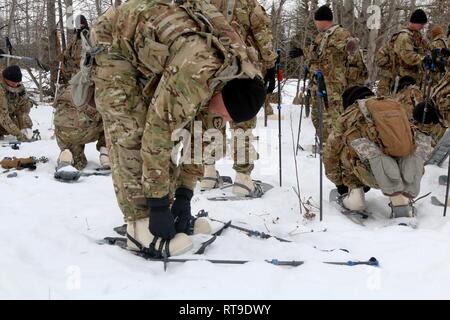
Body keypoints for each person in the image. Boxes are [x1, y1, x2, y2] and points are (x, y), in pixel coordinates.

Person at [94, 0, 266, 257]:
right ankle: (139, 226)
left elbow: (202, 137)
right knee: (132, 130)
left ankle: (169, 204)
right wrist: (158, 204)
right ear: (221, 90)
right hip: (116, 39)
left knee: (192, 124)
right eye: (225, 113)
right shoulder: (196, 73)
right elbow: (157, 134)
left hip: (158, 47)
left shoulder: (241, 73)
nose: (224, 120)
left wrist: (184, 194)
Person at [200, 0, 277, 196]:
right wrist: (270, 65)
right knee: (241, 124)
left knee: (211, 120)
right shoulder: (248, 4)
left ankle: (208, 173)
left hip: (211, 68)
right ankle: (243, 180)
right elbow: (263, 38)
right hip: (243, 69)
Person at [324, 86, 435, 221]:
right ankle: (401, 203)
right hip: (409, 174)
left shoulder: (348, 115)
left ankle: (355, 198)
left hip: (371, 173)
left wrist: (340, 184)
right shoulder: (394, 107)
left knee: (344, 148)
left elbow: (330, 154)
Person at [289, 5, 359, 140]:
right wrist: (303, 52)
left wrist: (350, 46)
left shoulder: (341, 33)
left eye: (316, 21)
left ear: (322, 21)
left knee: (332, 116)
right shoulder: (322, 36)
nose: (315, 24)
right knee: (317, 115)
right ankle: (323, 141)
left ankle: (335, 144)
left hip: (333, 84)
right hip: (319, 81)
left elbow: (351, 47)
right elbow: (318, 51)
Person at [376, 9, 430, 96]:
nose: (423, 27)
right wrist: (423, 59)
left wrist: (436, 51)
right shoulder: (404, 37)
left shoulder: (416, 35)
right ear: (415, 22)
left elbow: (427, 45)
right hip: (398, 77)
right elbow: (407, 57)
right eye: (421, 24)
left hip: (408, 76)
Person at [0, 65, 33, 141]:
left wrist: (24, 98)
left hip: (7, 116)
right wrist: (18, 134)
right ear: (6, 79)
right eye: (13, 82)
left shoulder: (17, 86)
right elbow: (3, 117)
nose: (15, 85)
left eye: (17, 82)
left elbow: (24, 110)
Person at [60, 15, 90, 83]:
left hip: (87, 70)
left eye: (81, 24)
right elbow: (69, 52)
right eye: (77, 24)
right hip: (75, 70)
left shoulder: (89, 34)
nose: (79, 26)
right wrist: (64, 55)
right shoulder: (75, 36)